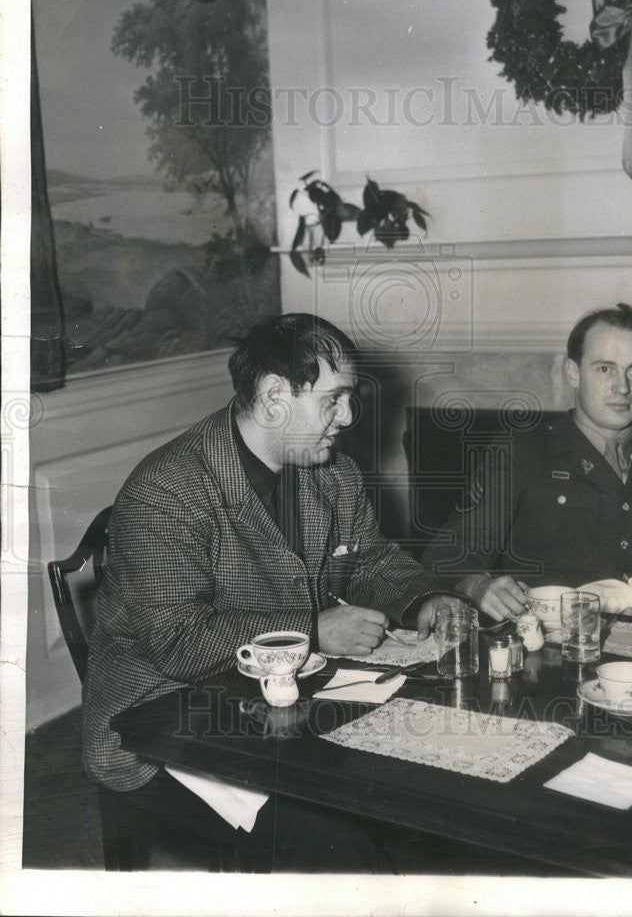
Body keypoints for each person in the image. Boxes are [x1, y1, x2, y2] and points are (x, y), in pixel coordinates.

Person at [82, 313, 463, 870]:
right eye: (334, 399)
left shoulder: (334, 474)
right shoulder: (166, 491)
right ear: (273, 397)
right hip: (162, 724)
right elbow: (177, 643)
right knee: (334, 834)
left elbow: (372, 561)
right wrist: (311, 630)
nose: (349, 416)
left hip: (279, 706)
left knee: (414, 782)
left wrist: (425, 598)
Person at [421, 304, 632, 625]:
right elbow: (447, 554)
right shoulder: (521, 452)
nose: (623, 387)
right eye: (605, 369)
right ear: (573, 373)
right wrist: (478, 585)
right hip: (549, 647)